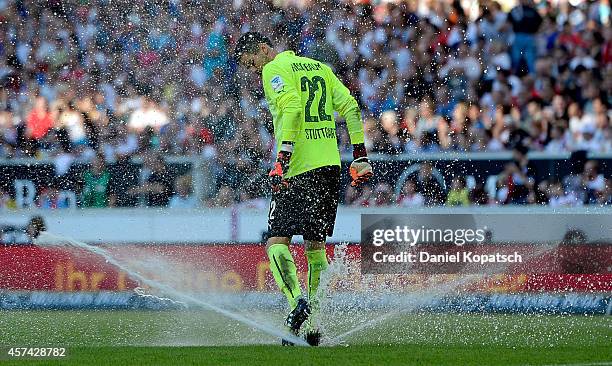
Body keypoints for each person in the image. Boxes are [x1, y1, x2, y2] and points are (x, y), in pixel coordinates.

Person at [234, 32, 373, 345]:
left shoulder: (274, 70)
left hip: (297, 167)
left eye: (252, 61)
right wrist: (360, 156)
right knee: (315, 250)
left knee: (276, 241)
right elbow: (351, 107)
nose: (254, 70)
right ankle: (311, 324)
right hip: (330, 168)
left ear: (264, 49)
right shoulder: (318, 67)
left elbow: (294, 109)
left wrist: (282, 158)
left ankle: (296, 300)